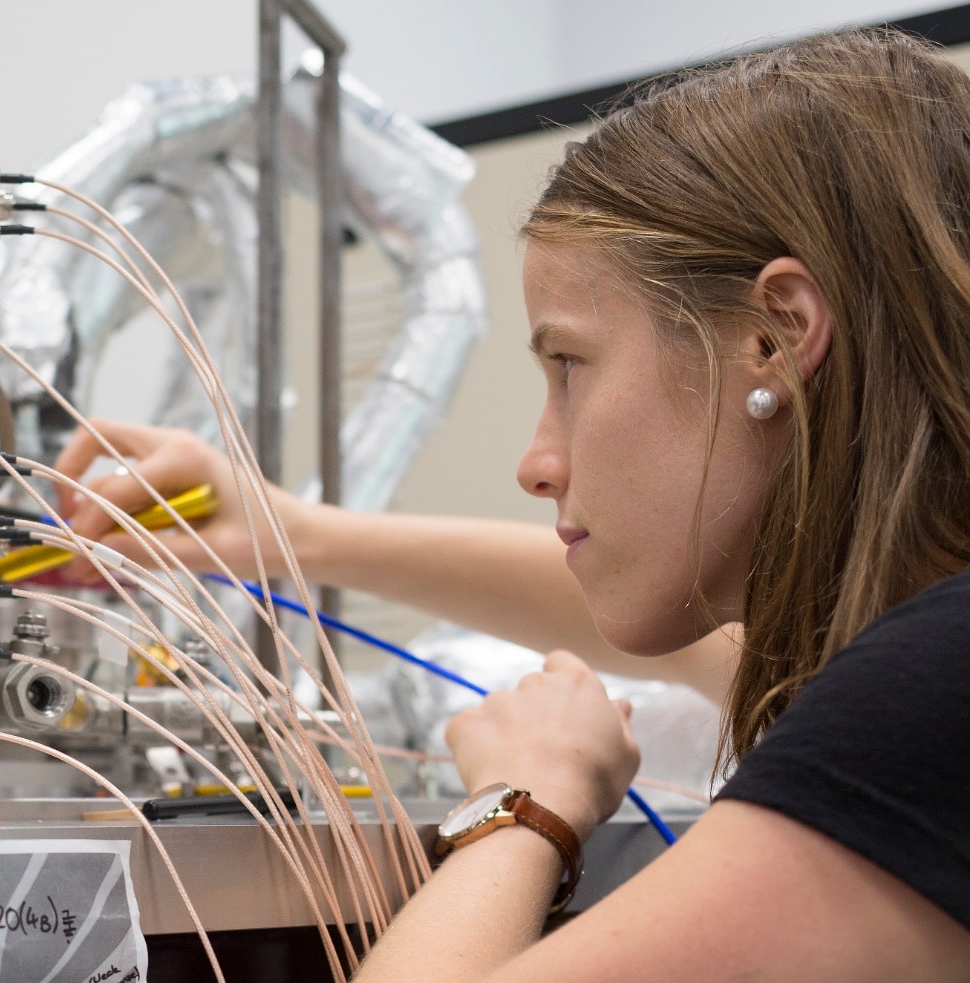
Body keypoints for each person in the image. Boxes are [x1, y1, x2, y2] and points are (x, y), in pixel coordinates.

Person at [56, 28, 970, 979]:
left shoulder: (933, 689)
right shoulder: (920, 637)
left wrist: (525, 802)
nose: (537, 463)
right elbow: (648, 614)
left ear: (776, 339)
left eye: (570, 364)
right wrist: (293, 532)